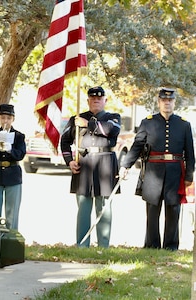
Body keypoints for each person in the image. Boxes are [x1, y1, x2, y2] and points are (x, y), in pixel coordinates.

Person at [119, 88, 195, 251]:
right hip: (153, 172)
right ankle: (152, 245)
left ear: (174, 103)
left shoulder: (184, 124)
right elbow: (137, 146)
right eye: (163, 100)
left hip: (175, 172)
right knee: (152, 210)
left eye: (170, 100)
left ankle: (171, 246)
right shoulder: (148, 122)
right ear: (159, 102)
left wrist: (189, 176)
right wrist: (125, 165)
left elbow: (190, 153)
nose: (167, 103)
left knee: (173, 210)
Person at [61, 86, 121, 248]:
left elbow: (111, 130)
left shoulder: (113, 117)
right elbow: (65, 141)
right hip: (84, 164)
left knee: (104, 209)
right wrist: (69, 161)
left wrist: (88, 124)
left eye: (99, 98)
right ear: (88, 100)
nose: (96, 100)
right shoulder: (76, 119)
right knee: (83, 208)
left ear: (105, 101)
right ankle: (82, 245)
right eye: (93, 98)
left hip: (105, 164)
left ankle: (103, 246)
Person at [0, 104, 26, 230]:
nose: (5, 121)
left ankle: (12, 238)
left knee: (12, 212)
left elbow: (21, 154)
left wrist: (11, 150)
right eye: (3, 118)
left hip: (13, 175)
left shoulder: (19, 136)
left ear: (13, 119)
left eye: (8, 118)